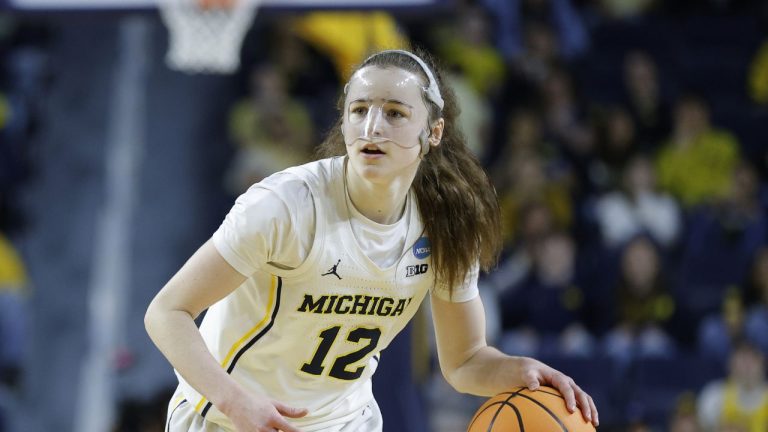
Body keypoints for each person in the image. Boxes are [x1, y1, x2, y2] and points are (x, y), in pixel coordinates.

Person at [145, 48, 599, 432]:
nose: (372, 127)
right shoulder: (284, 205)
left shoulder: (445, 223)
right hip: (228, 417)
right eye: (359, 110)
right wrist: (235, 401)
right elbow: (167, 312)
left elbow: (464, 362)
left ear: (433, 132)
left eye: (395, 113)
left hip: (346, 419)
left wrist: (516, 370)